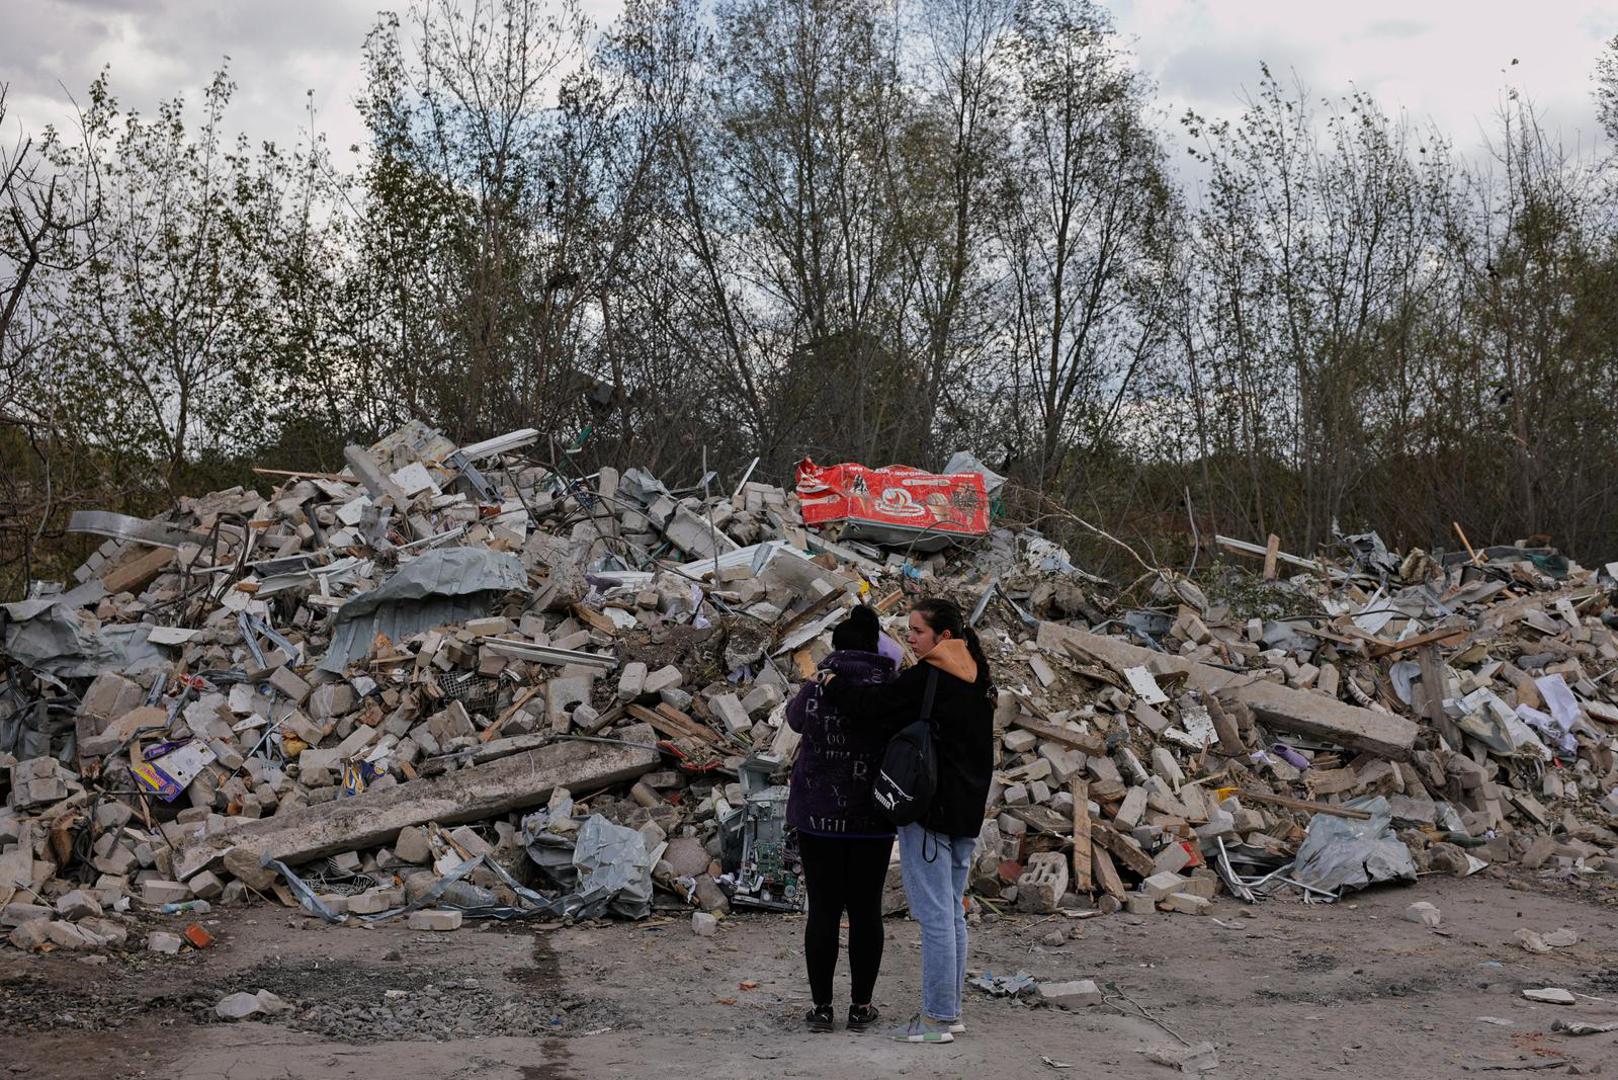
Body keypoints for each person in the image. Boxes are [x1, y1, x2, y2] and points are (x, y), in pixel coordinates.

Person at [823, 597, 994, 1044]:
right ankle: (949, 1011)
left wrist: (832, 683)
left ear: (944, 637)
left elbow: (873, 704)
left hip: (929, 813)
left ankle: (937, 1019)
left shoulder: (930, 676)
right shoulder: (977, 675)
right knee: (952, 911)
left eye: (917, 631)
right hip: (965, 813)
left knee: (935, 915)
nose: (910, 639)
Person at [785, 605, 898, 1034]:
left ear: (837, 646)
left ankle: (821, 1008)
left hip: (817, 816)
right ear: (875, 645)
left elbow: (794, 722)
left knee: (824, 910)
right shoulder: (891, 686)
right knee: (867, 911)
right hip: (874, 819)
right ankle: (861, 1007)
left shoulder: (819, 684)